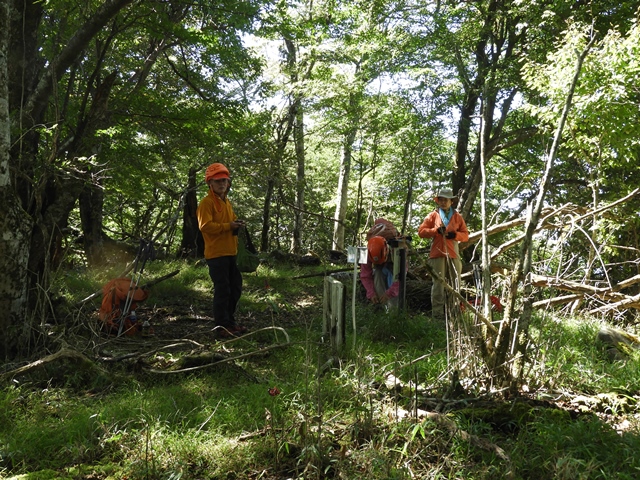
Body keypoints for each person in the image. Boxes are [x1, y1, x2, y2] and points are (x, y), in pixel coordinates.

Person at [197, 162, 247, 337]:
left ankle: (230, 322)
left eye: (224, 180)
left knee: (235, 288)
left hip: (230, 252)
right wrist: (228, 226)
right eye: (217, 181)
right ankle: (221, 326)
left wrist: (237, 225)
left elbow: (230, 222)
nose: (222, 184)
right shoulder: (206, 203)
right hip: (216, 254)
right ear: (210, 183)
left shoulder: (226, 202)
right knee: (223, 290)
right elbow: (205, 226)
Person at [418, 188, 469, 320]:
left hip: (453, 253)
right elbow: (421, 232)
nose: (443, 202)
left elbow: (466, 236)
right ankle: (438, 314)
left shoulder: (457, 217)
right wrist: (435, 231)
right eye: (440, 199)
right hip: (437, 253)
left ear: (451, 201)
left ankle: (454, 312)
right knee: (438, 285)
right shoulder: (432, 215)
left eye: (445, 200)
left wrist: (455, 235)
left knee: (455, 284)